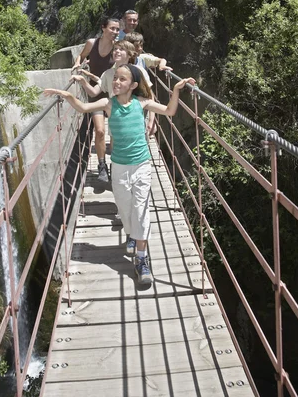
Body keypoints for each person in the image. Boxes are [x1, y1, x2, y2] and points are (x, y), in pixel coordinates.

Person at [43, 66, 195, 285]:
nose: (116, 82)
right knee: (125, 210)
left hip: (142, 164)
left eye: (122, 79)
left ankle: (142, 260)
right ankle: (132, 235)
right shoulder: (108, 104)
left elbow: (170, 111)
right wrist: (65, 94)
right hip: (120, 167)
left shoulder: (142, 102)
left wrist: (177, 90)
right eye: (115, 78)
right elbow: (83, 107)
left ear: (133, 85)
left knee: (141, 209)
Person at [71, 39, 155, 136]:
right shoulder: (108, 73)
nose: (117, 51)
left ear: (130, 54)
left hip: (136, 120)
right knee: (114, 147)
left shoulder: (138, 71)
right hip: (116, 120)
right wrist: (83, 81)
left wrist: (151, 120)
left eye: (121, 49)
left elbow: (149, 95)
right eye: (115, 49)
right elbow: (93, 92)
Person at [71, 16, 120, 182]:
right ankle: (101, 165)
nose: (115, 32)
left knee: (114, 134)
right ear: (103, 28)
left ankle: (115, 163)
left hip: (113, 93)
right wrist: (78, 64)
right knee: (99, 131)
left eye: (117, 29)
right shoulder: (92, 43)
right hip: (95, 92)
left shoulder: (117, 49)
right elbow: (81, 56)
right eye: (112, 28)